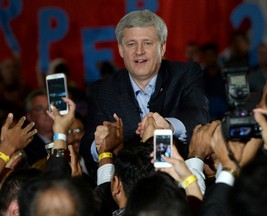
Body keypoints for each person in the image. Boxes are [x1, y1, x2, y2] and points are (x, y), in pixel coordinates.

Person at [80, 9, 209, 169]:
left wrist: (169, 126)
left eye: (147, 43)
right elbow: (86, 146)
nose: (139, 51)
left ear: (162, 48)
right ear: (121, 49)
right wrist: (100, 144)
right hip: (127, 183)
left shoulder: (185, 74)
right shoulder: (102, 90)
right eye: (131, 44)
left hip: (178, 178)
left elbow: (199, 115)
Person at [23, 89, 54, 166]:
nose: (47, 112)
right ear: (29, 117)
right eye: (39, 109)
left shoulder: (68, 137)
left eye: (49, 107)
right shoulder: (27, 148)